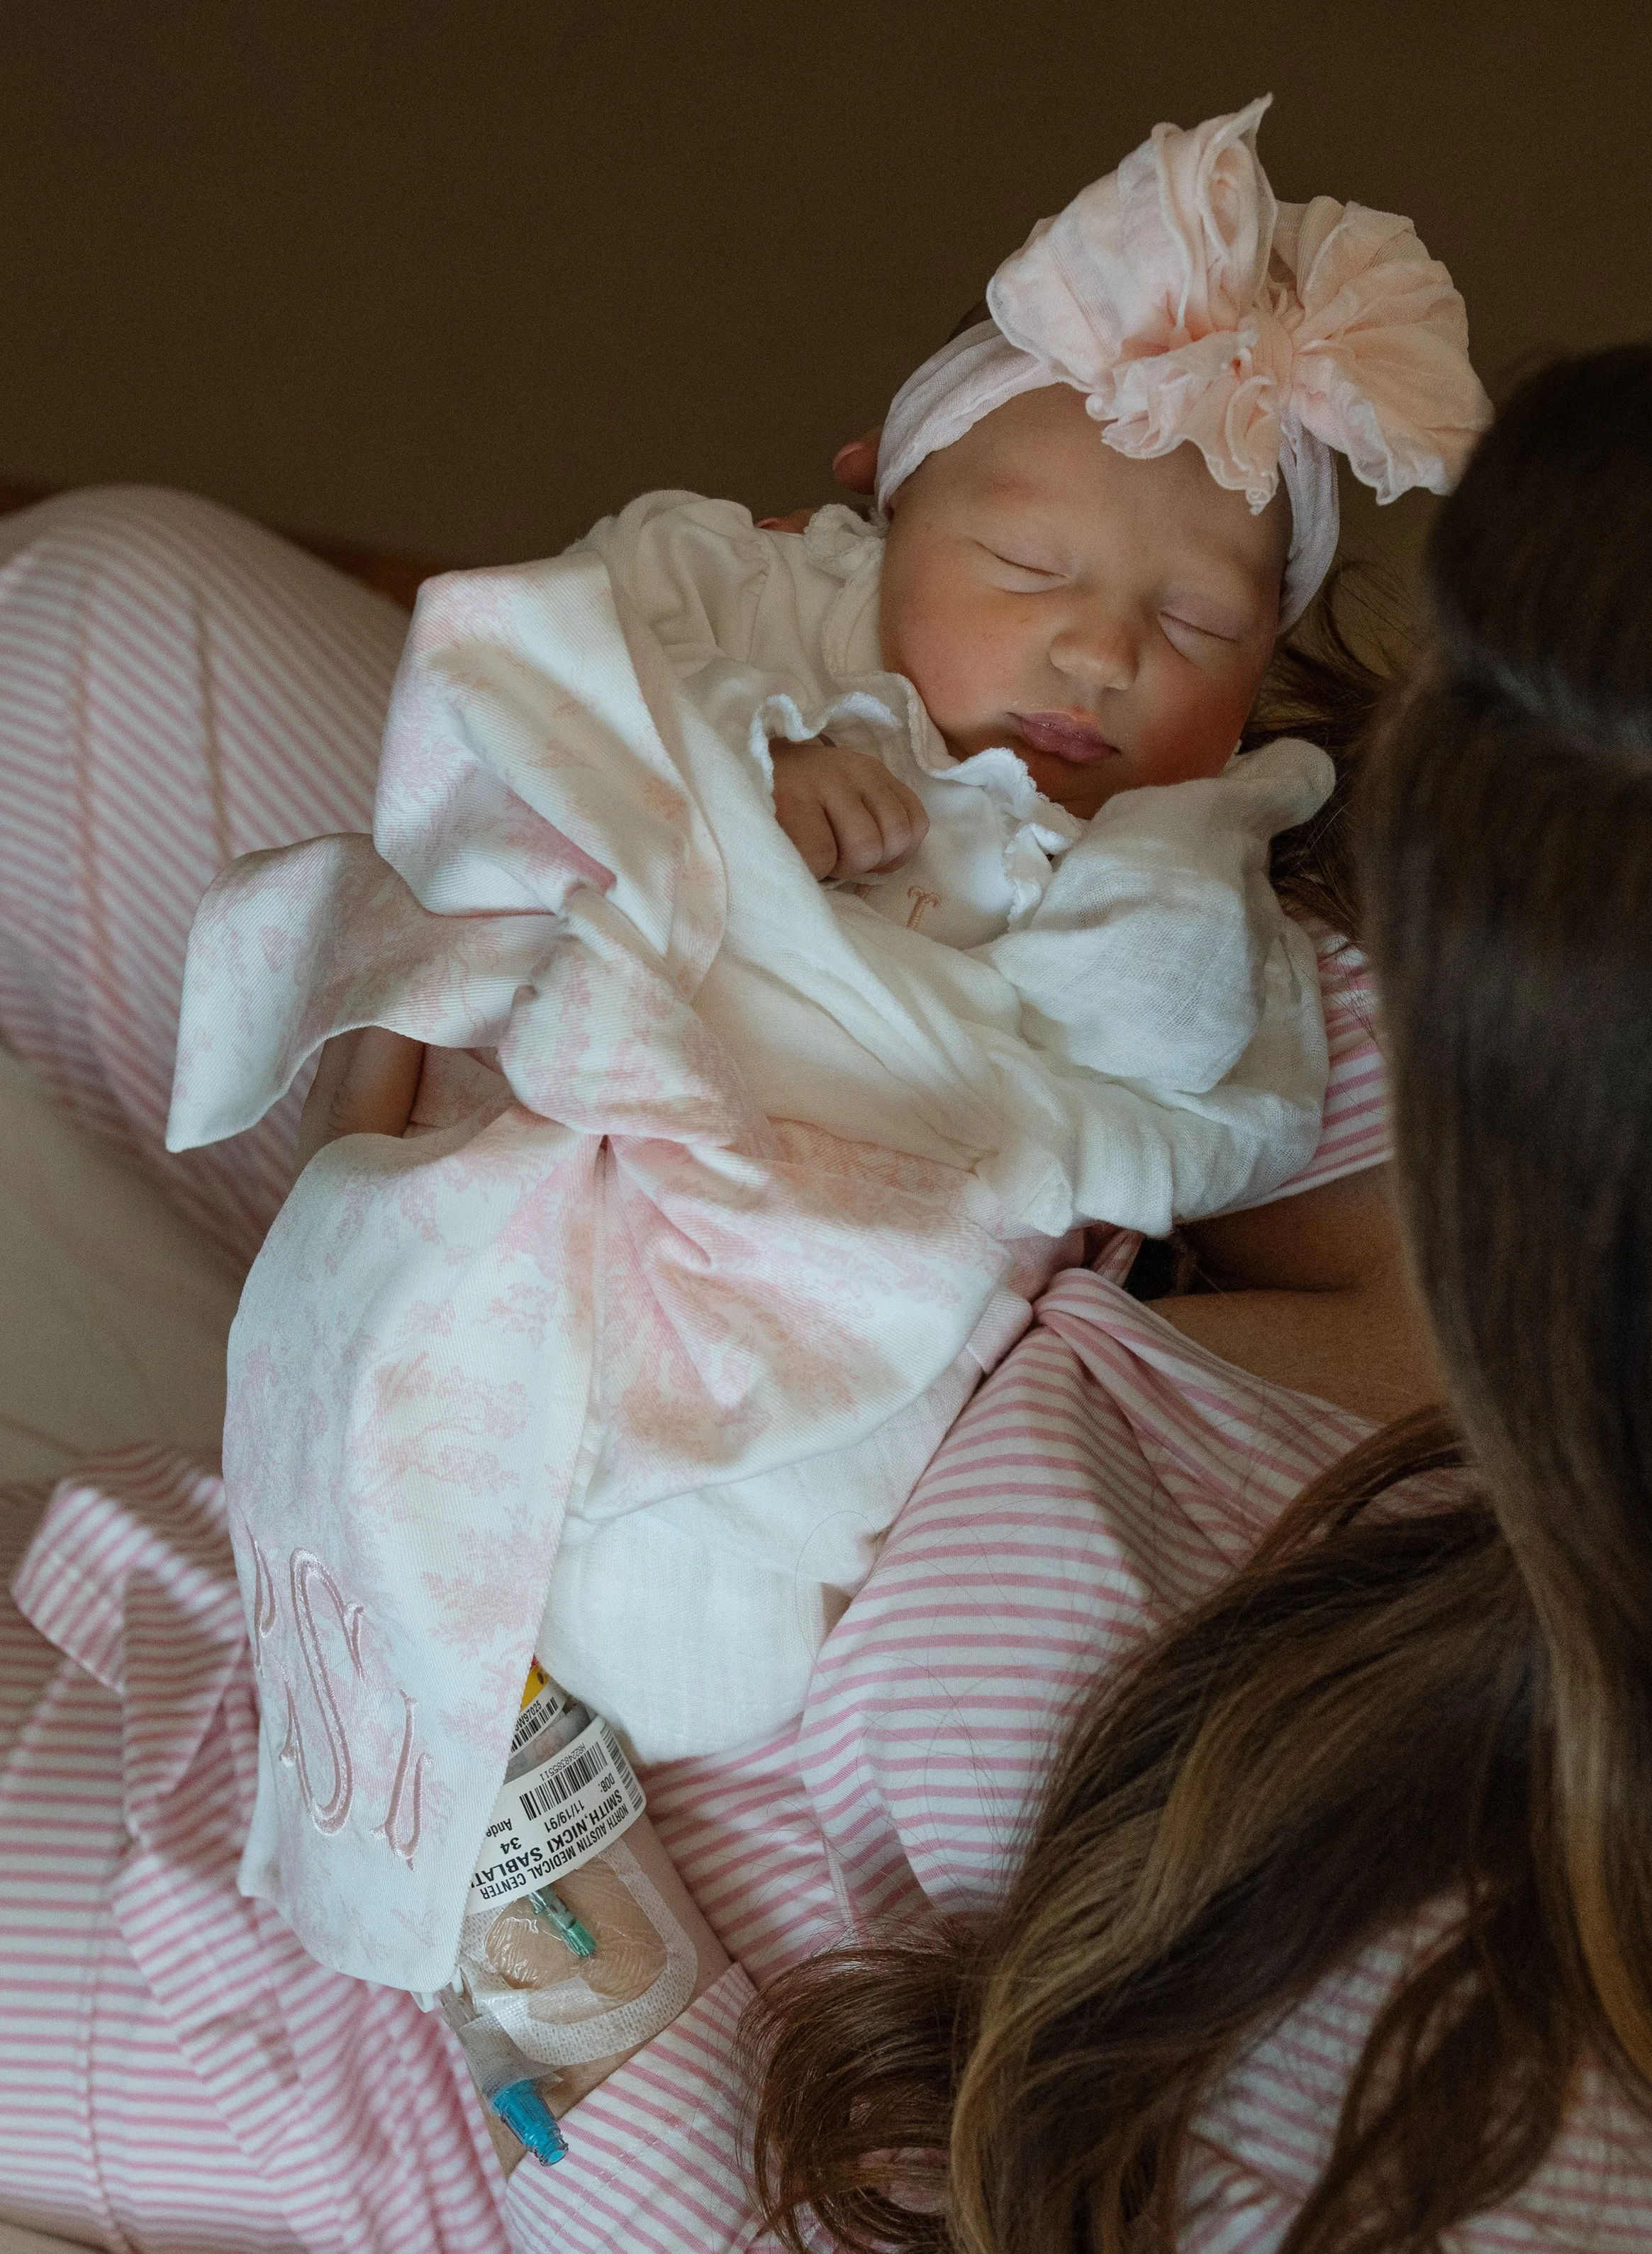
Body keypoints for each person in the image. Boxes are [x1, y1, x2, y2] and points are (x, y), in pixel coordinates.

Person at [6, 337, 1652, 2250]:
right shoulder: (1506, 1136)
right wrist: (837, 702)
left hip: (572, 1978)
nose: (1391, 723)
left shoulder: (1545, 2106)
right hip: (734, 1244)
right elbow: (1224, 1004)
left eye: (1457, 746)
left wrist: (454, 1724)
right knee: (99, 613)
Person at [155, 101, 1485, 2006]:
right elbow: (536, 709)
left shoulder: (1194, 841)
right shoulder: (775, 634)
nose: (1100, 654)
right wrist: (717, 791)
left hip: (839, 1242)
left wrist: (1135, 899)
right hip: (549, 1104)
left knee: (709, 1537)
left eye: (1192, 620)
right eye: (1023, 562)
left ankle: (511, 1601)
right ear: (874, 509)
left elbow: (1166, 1073)